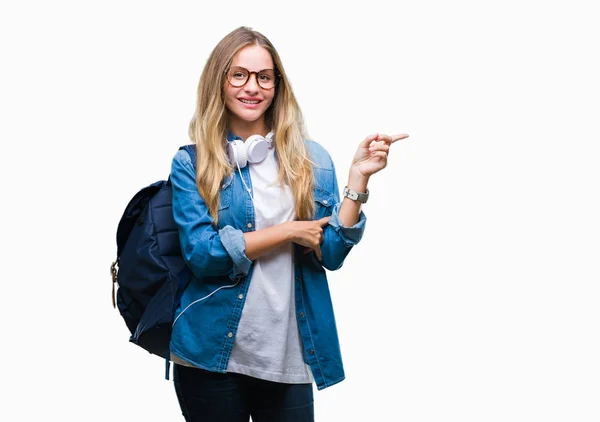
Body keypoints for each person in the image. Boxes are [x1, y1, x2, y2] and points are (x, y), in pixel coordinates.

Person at [168, 25, 408, 422]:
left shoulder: (310, 159)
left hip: (288, 354)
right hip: (210, 352)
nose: (252, 87)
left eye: (264, 77)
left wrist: (357, 179)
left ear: (277, 85)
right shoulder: (192, 163)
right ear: (220, 81)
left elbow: (330, 253)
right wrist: (289, 231)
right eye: (239, 74)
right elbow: (203, 256)